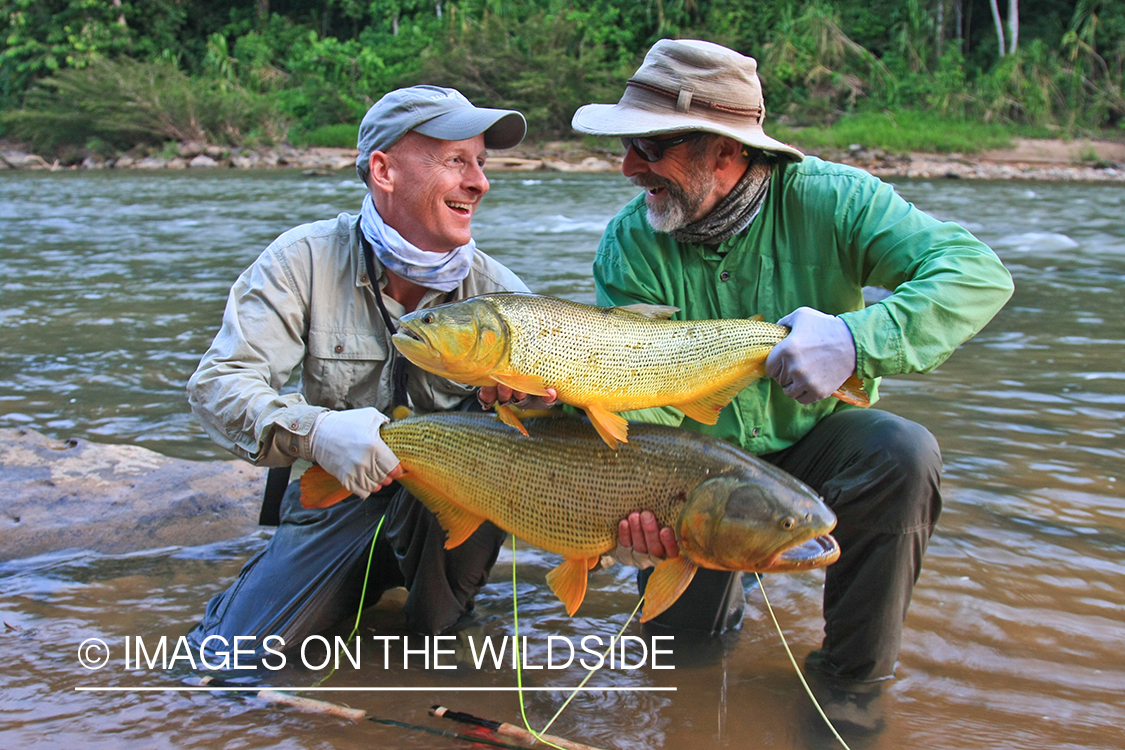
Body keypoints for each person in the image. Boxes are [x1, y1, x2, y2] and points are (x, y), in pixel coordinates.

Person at [572, 39, 1014, 729]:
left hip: (814, 438)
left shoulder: (837, 201)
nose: (628, 168)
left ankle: (850, 683)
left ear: (724, 151)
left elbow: (975, 273)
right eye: (626, 147)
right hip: (691, 461)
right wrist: (627, 502)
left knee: (902, 453)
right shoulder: (629, 243)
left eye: (649, 148)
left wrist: (854, 340)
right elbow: (638, 404)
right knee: (682, 658)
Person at [185, 85, 543, 657]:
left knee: (436, 654)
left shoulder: (503, 299)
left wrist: (535, 407)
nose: (480, 182)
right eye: (456, 161)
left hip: (448, 514)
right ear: (383, 170)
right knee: (240, 660)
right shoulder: (300, 260)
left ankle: (439, 625)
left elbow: (550, 445)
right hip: (335, 496)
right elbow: (218, 386)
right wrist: (319, 433)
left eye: (481, 162)